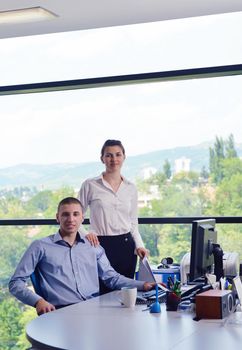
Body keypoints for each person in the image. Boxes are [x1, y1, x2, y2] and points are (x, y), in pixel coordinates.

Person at [9, 197, 154, 315]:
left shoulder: (93, 246)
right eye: (65, 214)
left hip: (95, 310)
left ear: (82, 218)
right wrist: (38, 301)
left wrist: (143, 285)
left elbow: (112, 278)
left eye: (75, 214)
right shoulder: (40, 246)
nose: (71, 219)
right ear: (57, 218)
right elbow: (15, 283)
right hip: (61, 313)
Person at [77, 139, 148, 291]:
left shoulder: (131, 188)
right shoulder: (90, 185)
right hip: (99, 245)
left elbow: (133, 222)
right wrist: (86, 234)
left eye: (118, 155)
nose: (113, 159)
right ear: (102, 158)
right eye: (108, 155)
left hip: (126, 246)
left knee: (126, 293)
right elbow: (76, 216)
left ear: (124, 157)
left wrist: (139, 245)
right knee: (101, 293)